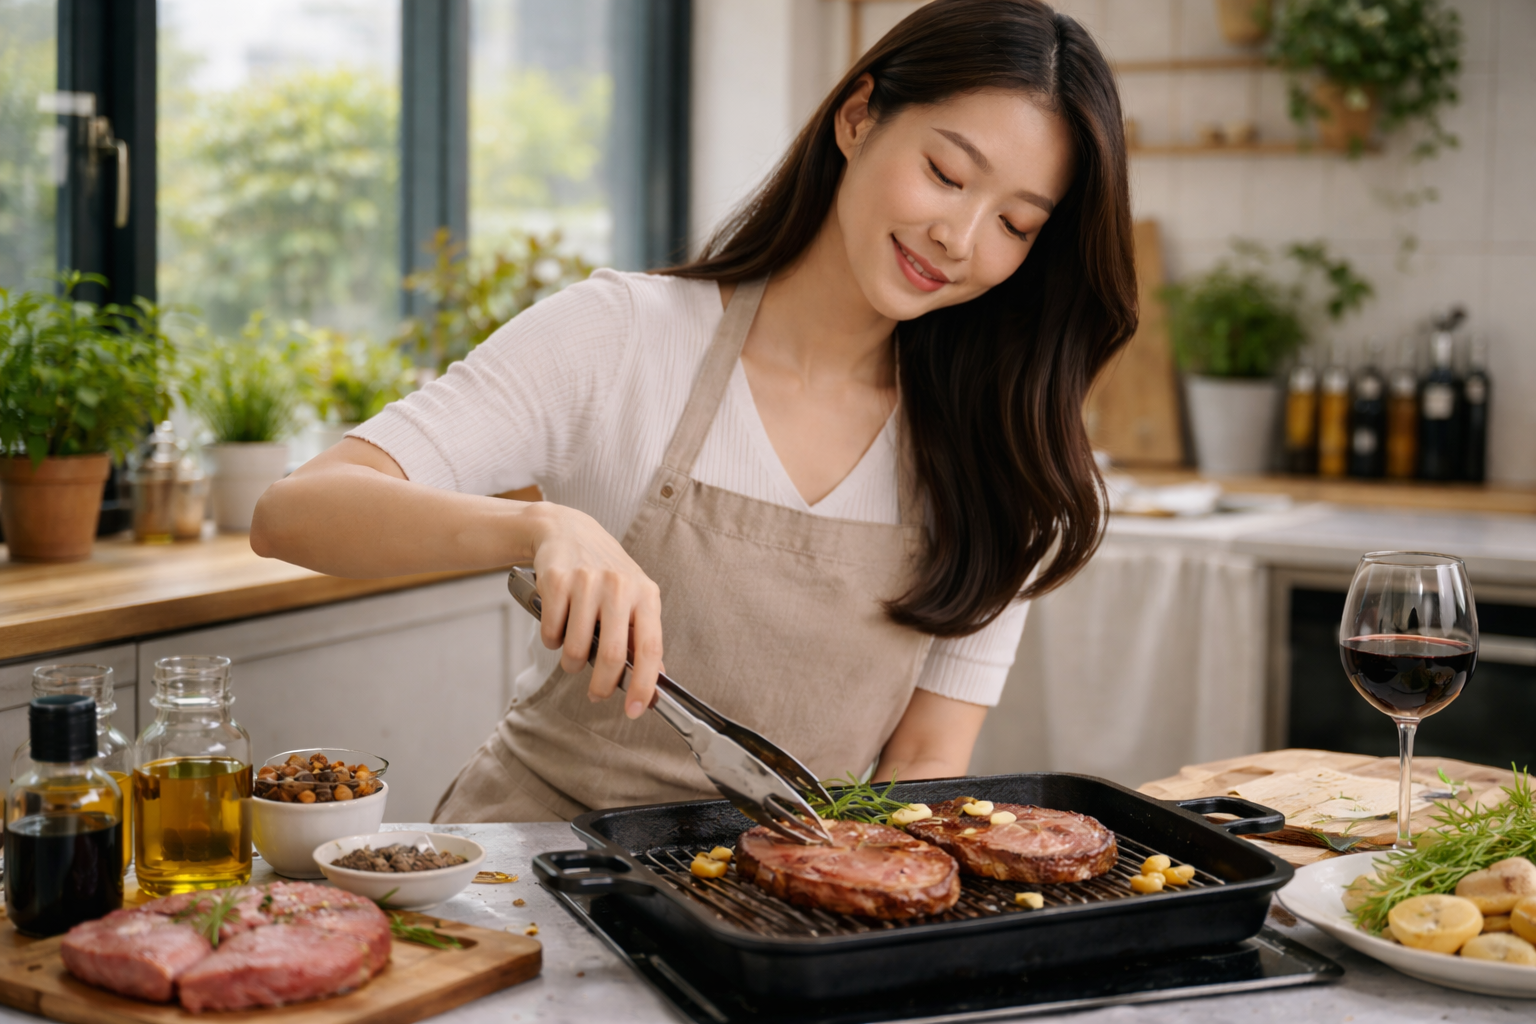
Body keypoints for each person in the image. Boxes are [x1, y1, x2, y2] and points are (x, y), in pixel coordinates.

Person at [251, 0, 1137, 822]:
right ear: (858, 116)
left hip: (786, 918)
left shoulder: (998, 459)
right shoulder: (624, 336)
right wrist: (542, 531)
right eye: (947, 173)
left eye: (1016, 225)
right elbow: (293, 512)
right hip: (526, 883)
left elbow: (926, 764)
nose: (961, 238)